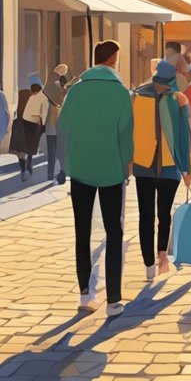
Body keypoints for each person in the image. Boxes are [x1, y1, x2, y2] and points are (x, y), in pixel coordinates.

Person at [59, 40, 133, 316]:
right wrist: (127, 165)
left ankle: (84, 295)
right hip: (112, 168)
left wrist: (64, 162)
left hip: (80, 168)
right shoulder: (120, 93)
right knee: (114, 232)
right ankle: (113, 299)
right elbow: (126, 134)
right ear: (114, 59)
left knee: (83, 231)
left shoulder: (76, 91)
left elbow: (62, 127)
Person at [132, 59, 191, 278]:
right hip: (170, 167)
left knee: (145, 216)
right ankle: (161, 257)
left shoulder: (137, 97)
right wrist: (187, 169)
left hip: (143, 165)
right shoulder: (179, 99)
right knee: (163, 214)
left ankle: (149, 264)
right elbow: (185, 138)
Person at [12, 75, 48, 181]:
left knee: (21, 148)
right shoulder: (42, 96)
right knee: (31, 147)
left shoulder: (21, 93)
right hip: (34, 125)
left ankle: (23, 168)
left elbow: (16, 109)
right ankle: (29, 165)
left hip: (20, 124)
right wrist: (44, 125)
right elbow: (43, 111)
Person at [42, 63, 73, 185]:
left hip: (51, 125)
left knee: (51, 151)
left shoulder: (49, 88)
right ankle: (63, 172)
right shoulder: (67, 91)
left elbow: (44, 108)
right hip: (63, 126)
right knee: (62, 151)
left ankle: (50, 174)